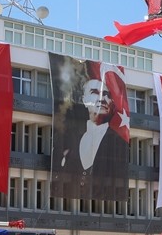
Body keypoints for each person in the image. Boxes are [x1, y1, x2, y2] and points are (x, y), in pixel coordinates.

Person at [50, 63, 129, 201]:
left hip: (103, 208)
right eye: (94, 93)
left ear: (112, 102)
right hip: (69, 207)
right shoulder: (69, 142)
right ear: (84, 100)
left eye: (107, 94)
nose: (101, 99)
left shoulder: (119, 142)